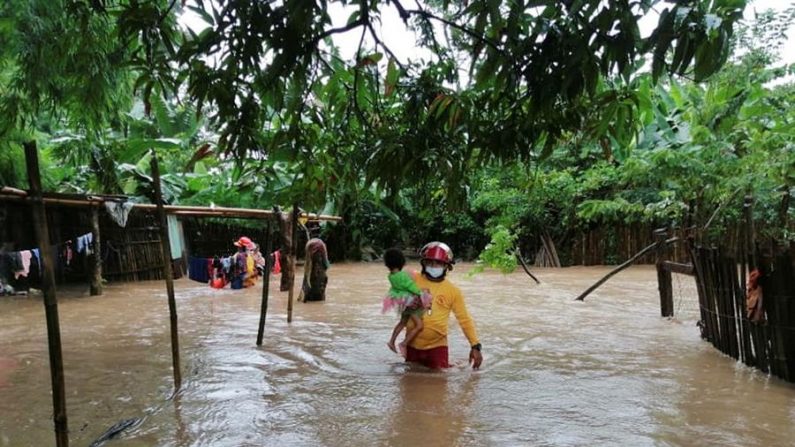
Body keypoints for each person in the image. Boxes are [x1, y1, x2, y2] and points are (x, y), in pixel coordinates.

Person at [405, 242, 482, 370]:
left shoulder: (453, 291)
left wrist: (475, 346)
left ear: (447, 266)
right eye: (429, 262)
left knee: (439, 383)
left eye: (438, 263)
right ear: (423, 264)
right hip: (411, 345)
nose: (433, 266)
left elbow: (464, 319)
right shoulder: (412, 279)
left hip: (437, 347)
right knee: (409, 382)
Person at [381, 248, 431, 356]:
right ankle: (404, 343)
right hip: (411, 304)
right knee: (419, 325)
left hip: (404, 304)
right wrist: (421, 294)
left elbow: (398, 288)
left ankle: (391, 341)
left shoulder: (391, 276)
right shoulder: (402, 275)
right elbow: (411, 286)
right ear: (401, 262)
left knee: (402, 323)